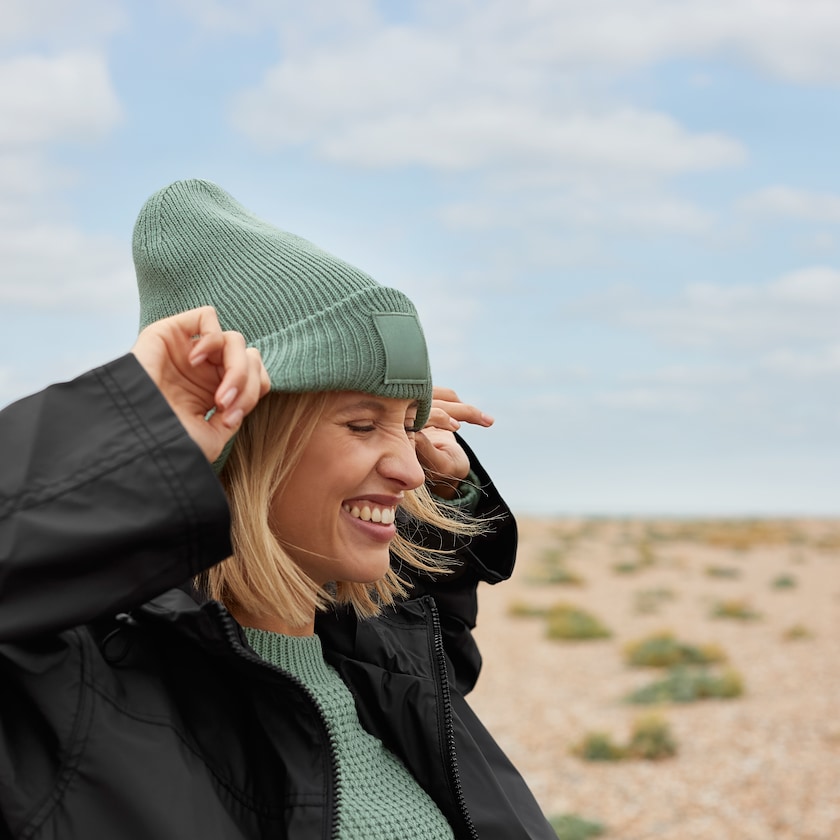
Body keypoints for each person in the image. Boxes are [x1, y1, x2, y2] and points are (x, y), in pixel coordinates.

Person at [0, 180, 556, 839]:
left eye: (409, 424)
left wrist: (446, 492)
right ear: (239, 439)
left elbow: (434, 624)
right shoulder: (80, 697)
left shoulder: (373, 657)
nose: (410, 469)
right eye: (361, 425)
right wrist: (134, 435)